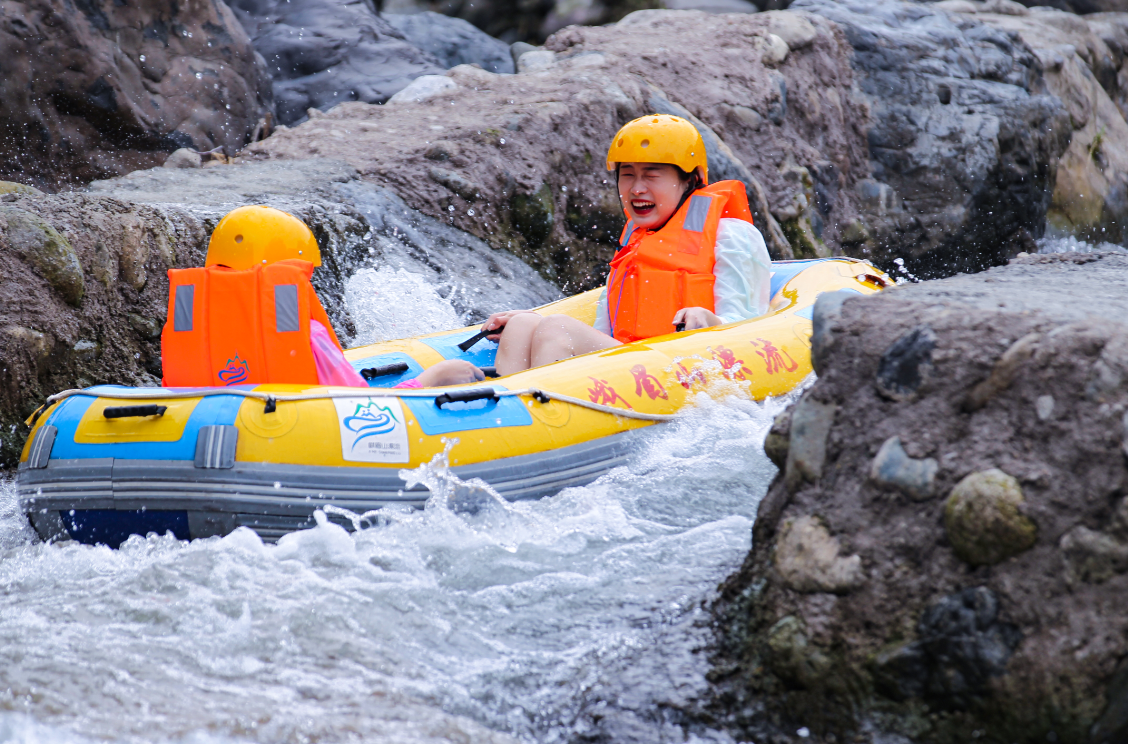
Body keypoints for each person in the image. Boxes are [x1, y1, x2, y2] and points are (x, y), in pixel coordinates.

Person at [480, 114, 773, 376]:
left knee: (557, 328)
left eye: (652, 174)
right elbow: (603, 333)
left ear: (690, 180)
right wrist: (535, 323)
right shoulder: (634, 243)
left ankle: (541, 419)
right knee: (521, 326)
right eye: (628, 174)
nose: (637, 188)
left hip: (682, 369)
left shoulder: (732, 236)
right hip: (629, 370)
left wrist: (710, 320)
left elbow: (749, 328)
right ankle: (510, 418)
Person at [160, 205, 480, 388]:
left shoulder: (195, 324)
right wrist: (432, 377)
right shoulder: (306, 336)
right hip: (296, 439)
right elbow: (363, 411)